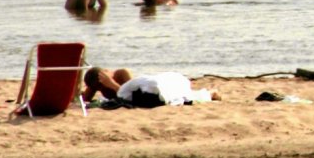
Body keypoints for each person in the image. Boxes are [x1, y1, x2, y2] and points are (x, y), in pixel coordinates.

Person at [83, 66, 219, 106]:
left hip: (149, 92)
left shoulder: (121, 74)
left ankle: (211, 92)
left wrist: (112, 84)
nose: (100, 88)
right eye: (97, 86)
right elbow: (84, 99)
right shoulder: (98, 82)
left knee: (186, 96)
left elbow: (132, 95)